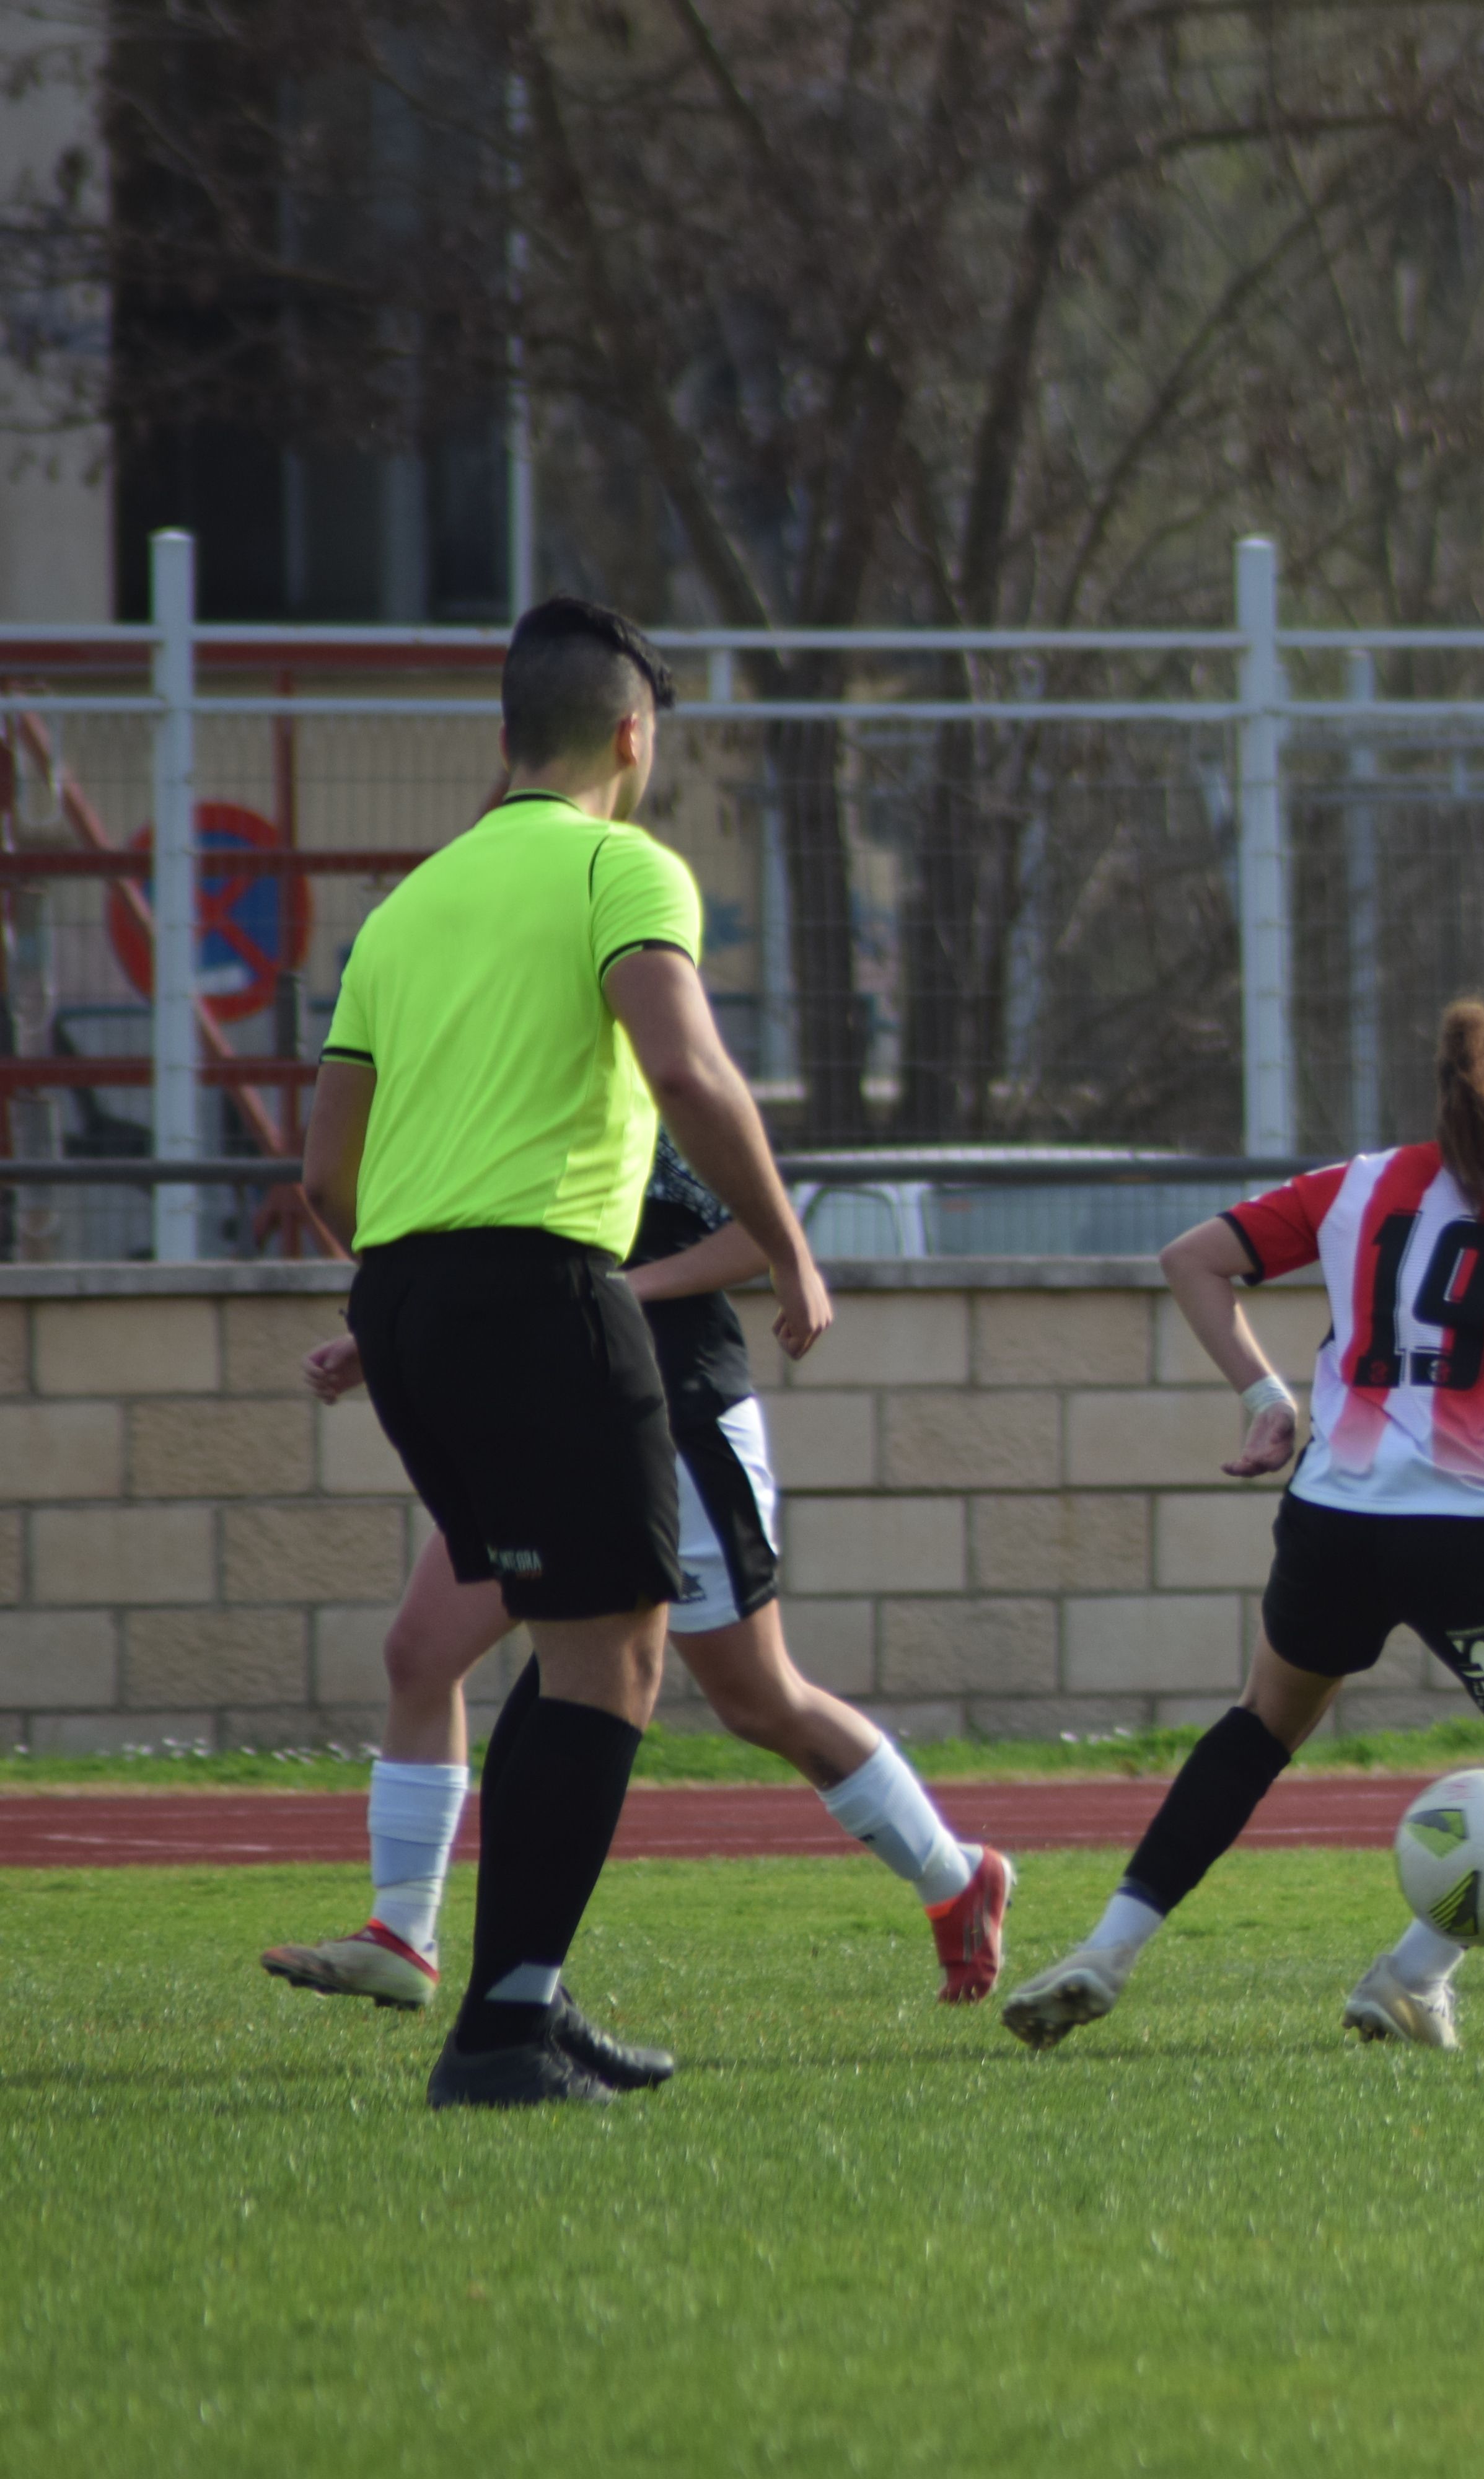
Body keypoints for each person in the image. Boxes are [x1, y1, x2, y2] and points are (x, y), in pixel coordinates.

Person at [301, 595, 832, 2109]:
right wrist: (788, 1245)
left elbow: (326, 1174)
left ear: (504, 735)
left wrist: (414, 1282)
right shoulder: (622, 864)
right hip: (543, 1289)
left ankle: (516, 1994)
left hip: (400, 1300)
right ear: (633, 736)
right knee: (618, 1654)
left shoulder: (411, 903)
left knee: (565, 1631)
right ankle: (502, 2030)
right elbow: (683, 1060)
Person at [999, 1001, 1484, 2056]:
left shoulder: (1362, 1181)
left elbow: (1193, 1258)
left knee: (1262, 1725)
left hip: (1333, 1515)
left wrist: (1265, 1399)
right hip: (1480, 1532)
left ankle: (1108, 1947)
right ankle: (1414, 1974)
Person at [262, 1133, 1010, 2014]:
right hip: (551, 1420)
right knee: (422, 1654)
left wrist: (608, 1295)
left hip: (677, 1421)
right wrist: (382, 1337)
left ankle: (954, 1877)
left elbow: (755, 1238)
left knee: (757, 1697)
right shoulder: (513, 1093)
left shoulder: (648, 1089)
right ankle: (401, 1933)